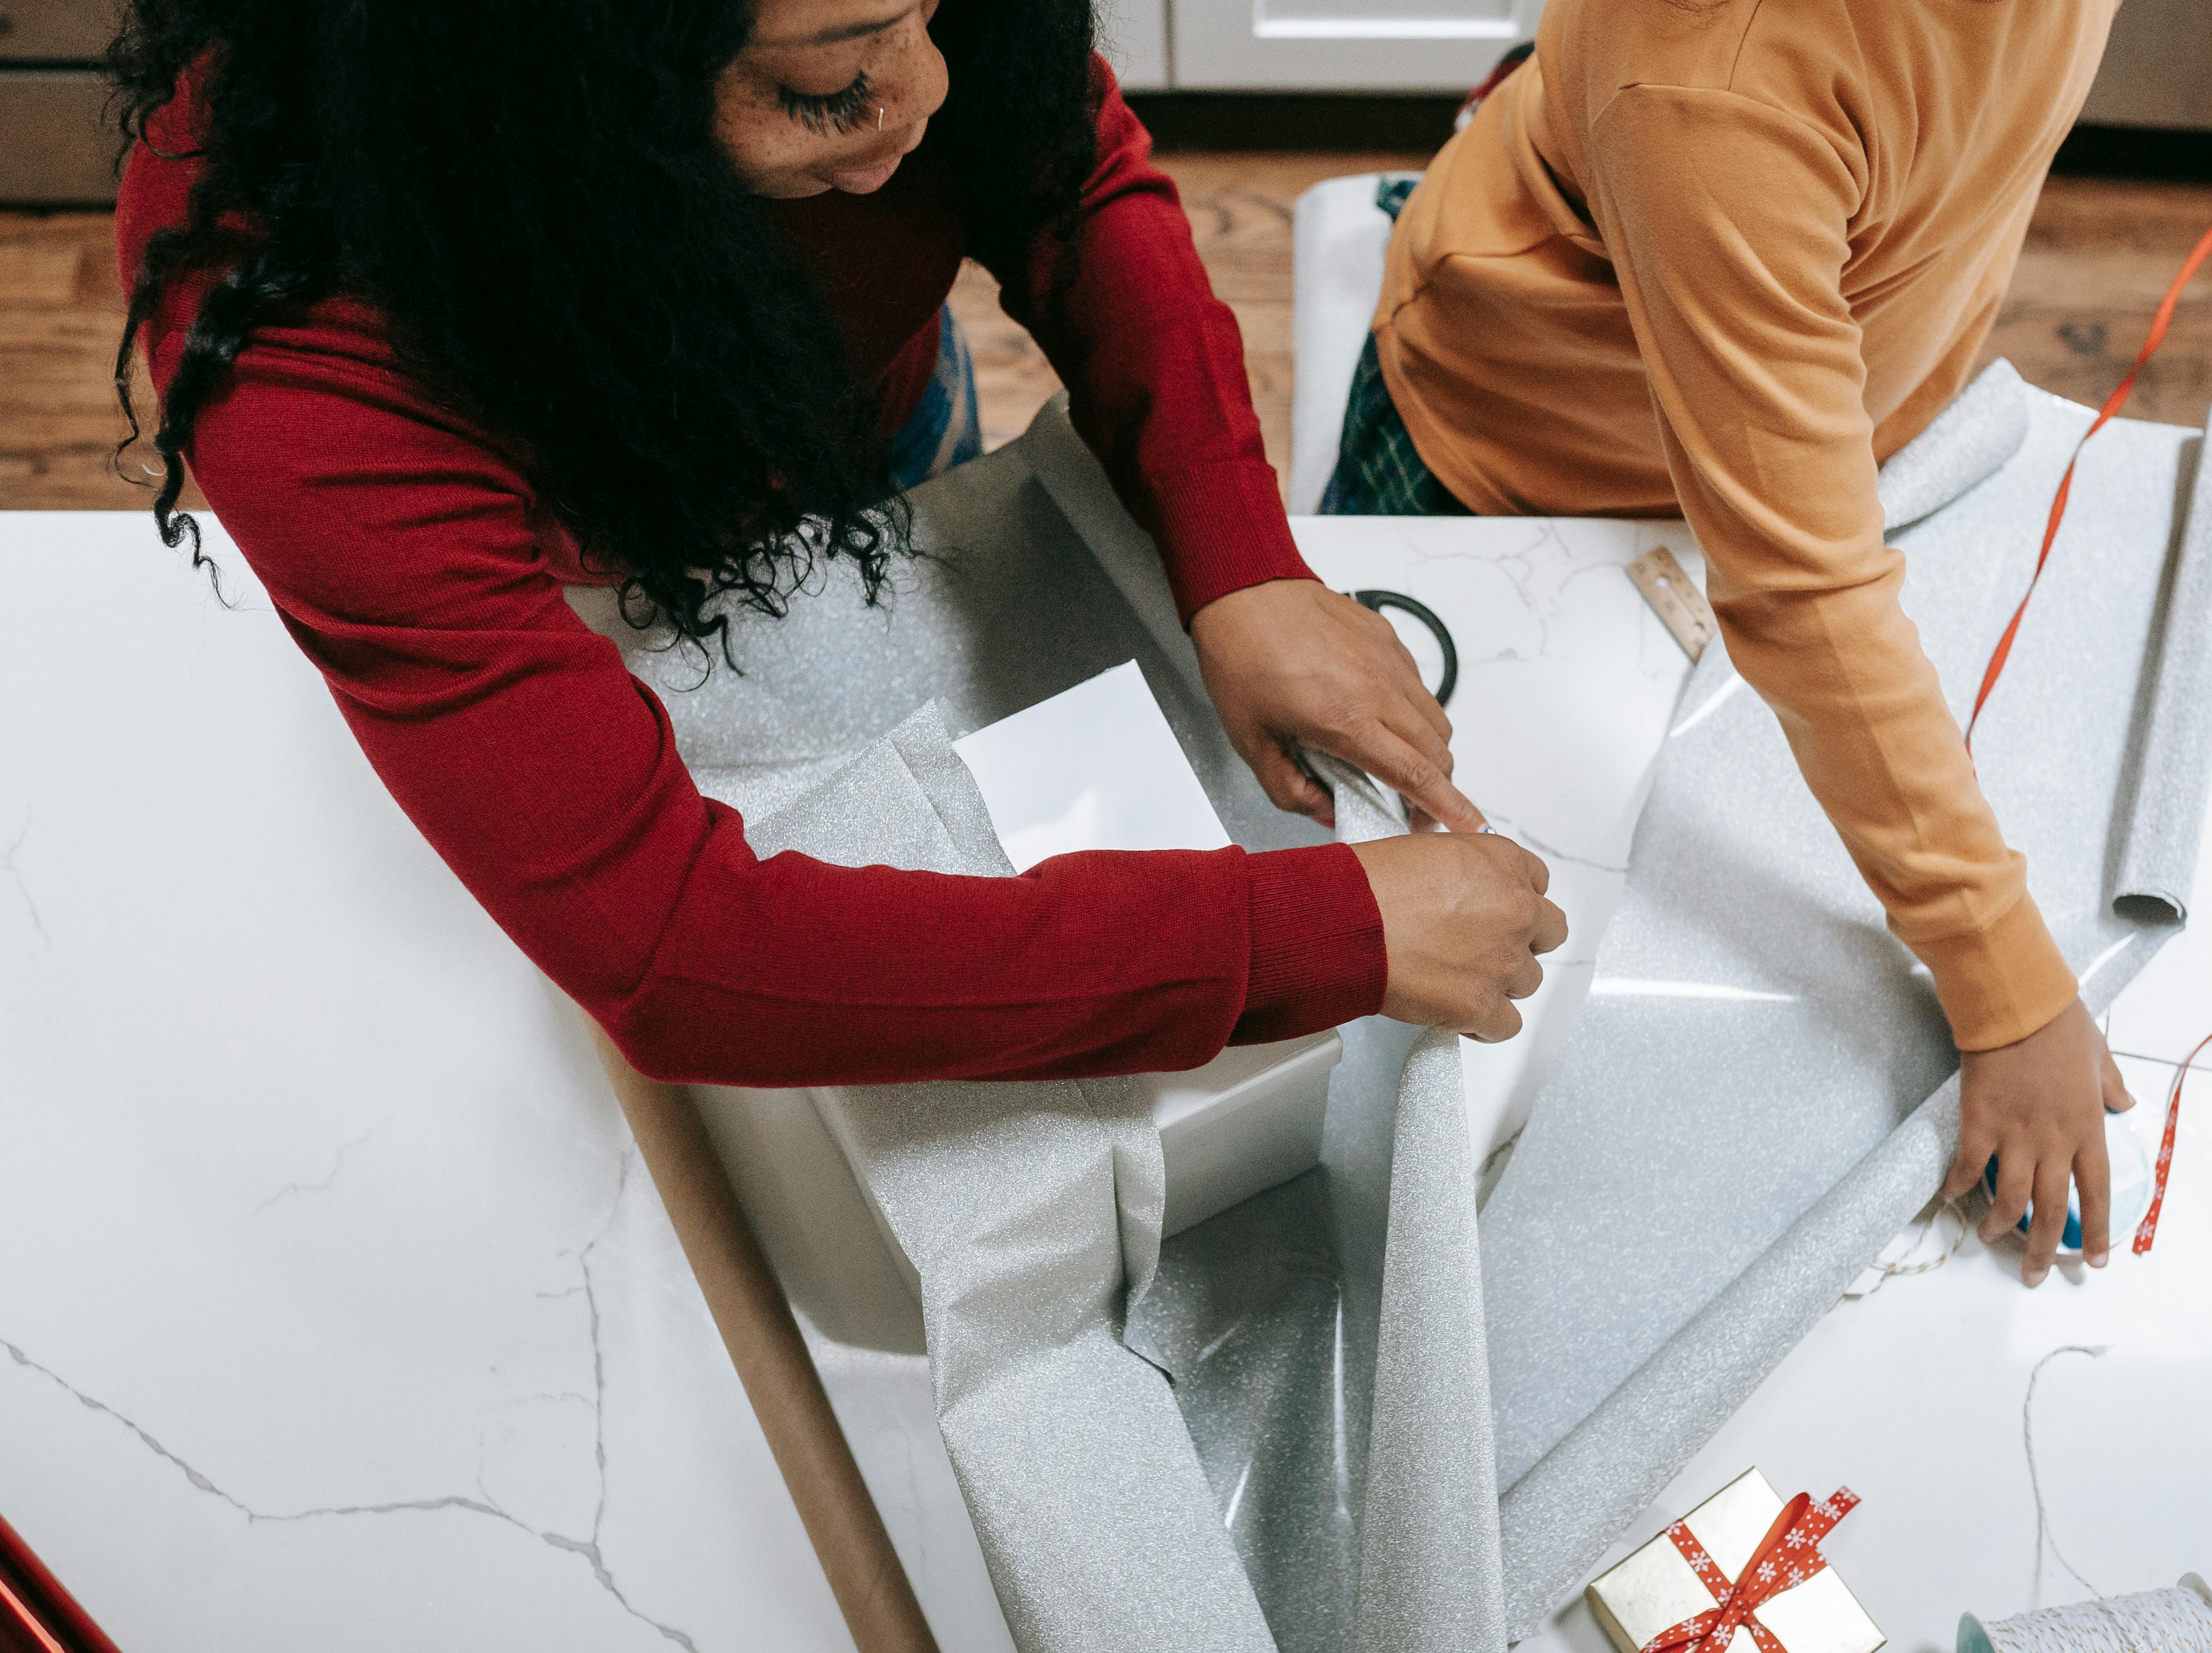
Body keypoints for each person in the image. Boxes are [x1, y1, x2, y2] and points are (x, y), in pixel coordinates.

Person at [110, 0, 1565, 1088]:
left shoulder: (899, 55)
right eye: (830, 84)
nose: (927, 98)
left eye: (937, 15)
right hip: (599, 574)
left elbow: (1069, 173)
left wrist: (1237, 553)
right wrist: (1302, 934)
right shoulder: (293, 338)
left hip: (868, 434)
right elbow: (674, 950)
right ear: (553, 79)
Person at [1327, 0, 2135, 1286]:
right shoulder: (1715, 79)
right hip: (1522, 459)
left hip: (1785, 406)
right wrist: (2009, 988)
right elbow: (1801, 592)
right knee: (1415, 877)